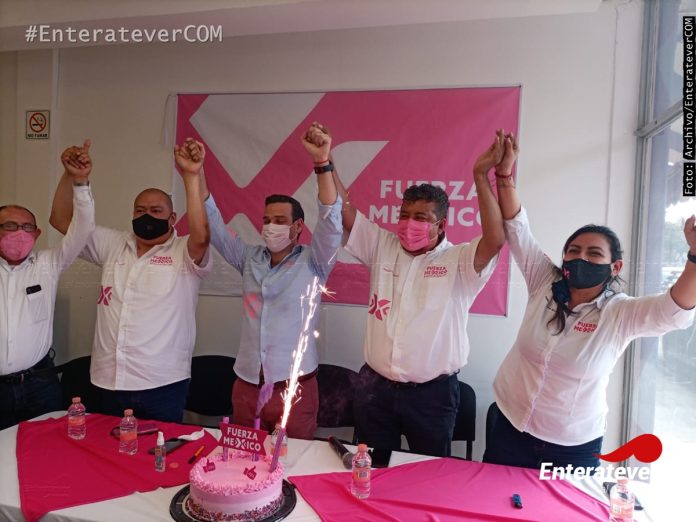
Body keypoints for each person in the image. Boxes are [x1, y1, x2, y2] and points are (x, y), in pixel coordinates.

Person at [483, 134, 696, 469]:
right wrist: (504, 175)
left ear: (615, 267)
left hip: (571, 445)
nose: (581, 258)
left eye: (594, 253)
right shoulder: (545, 281)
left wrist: (694, 258)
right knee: (496, 498)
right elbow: (518, 229)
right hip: (509, 424)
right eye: (573, 250)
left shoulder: (619, 312)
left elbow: (672, 312)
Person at [332, 125, 507, 457]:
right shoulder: (382, 245)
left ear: (441, 225)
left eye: (421, 217)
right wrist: (324, 163)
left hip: (432, 397)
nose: (409, 224)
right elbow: (345, 212)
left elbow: (495, 239)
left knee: (426, 476)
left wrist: (481, 176)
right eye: (404, 215)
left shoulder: (459, 260)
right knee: (371, 471)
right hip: (374, 389)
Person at [49, 138, 211, 423]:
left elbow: (202, 235)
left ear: (173, 218)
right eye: (140, 210)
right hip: (109, 380)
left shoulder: (184, 250)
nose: (146, 216)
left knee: (160, 451)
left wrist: (191, 175)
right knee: (111, 449)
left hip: (162, 384)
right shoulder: (113, 243)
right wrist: (73, 178)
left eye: (156, 211)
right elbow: (61, 220)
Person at [199, 123, 341, 439]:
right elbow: (215, 228)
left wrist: (322, 163)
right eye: (266, 220)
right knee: (242, 458)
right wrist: (196, 175)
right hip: (247, 384)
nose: (270, 226)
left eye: (279, 220)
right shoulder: (249, 258)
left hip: (294, 388)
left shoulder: (315, 261)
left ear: (298, 226)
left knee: (294, 459)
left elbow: (331, 222)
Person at [0, 141, 95, 430]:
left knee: (46, 448)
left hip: (39, 384)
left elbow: (82, 230)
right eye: (9, 226)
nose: (19, 233)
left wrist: (79, 182)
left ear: (37, 233)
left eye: (27, 227)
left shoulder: (47, 265)